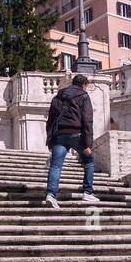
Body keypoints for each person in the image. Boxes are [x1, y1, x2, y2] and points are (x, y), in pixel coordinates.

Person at [44, 73, 98, 207]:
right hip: (76, 134)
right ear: (84, 85)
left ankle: (51, 195)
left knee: (55, 166)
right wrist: (87, 143)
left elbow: (50, 120)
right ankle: (87, 192)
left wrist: (50, 140)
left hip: (59, 135)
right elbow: (87, 120)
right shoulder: (83, 96)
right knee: (89, 161)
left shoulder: (57, 97)